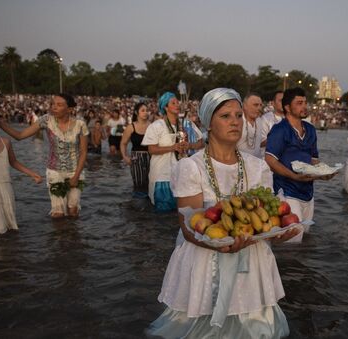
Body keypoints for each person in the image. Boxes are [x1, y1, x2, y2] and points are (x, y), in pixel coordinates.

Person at [146, 88, 299, 338]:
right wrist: (217, 245)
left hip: (251, 261)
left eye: (239, 116)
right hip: (205, 263)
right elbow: (188, 225)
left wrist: (276, 234)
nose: (235, 122)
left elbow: (265, 220)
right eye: (226, 116)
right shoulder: (190, 167)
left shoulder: (257, 167)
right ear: (208, 123)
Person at [0, 93, 88, 218]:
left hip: (75, 170)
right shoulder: (47, 120)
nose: (54, 107)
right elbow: (19, 136)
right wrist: (0, 123)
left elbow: (84, 151)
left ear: (70, 109)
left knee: (73, 211)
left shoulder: (80, 124)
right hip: (55, 171)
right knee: (58, 213)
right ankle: (58, 237)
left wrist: (76, 176)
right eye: (53, 104)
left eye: (59, 105)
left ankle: (72, 237)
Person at [265, 87, 336, 243]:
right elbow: (269, 160)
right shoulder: (280, 130)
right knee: (291, 242)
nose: (304, 106)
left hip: (308, 193)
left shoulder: (310, 129)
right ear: (287, 108)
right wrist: (293, 175)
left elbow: (313, 159)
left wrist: (323, 172)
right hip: (287, 192)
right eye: (299, 103)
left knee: (304, 238)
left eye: (305, 102)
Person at [142, 92, 203, 212]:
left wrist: (190, 145)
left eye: (177, 102)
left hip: (182, 176)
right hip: (162, 177)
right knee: (162, 218)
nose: (177, 105)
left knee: (182, 214)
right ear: (165, 107)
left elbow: (201, 143)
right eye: (173, 103)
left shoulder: (187, 123)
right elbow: (151, 149)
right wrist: (172, 147)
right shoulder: (156, 126)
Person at [120, 102, 151, 198]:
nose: (145, 113)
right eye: (143, 110)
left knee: (150, 184)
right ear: (137, 113)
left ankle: (148, 208)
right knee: (138, 185)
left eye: (146, 110)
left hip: (151, 157)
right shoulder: (131, 127)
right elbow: (123, 143)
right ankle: (137, 208)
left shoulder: (151, 126)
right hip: (136, 158)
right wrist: (125, 157)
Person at [237, 93, 264, 158]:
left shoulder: (259, 121)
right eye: (255, 105)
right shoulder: (237, 121)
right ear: (244, 106)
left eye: (260, 105)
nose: (259, 108)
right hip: (240, 164)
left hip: (257, 163)